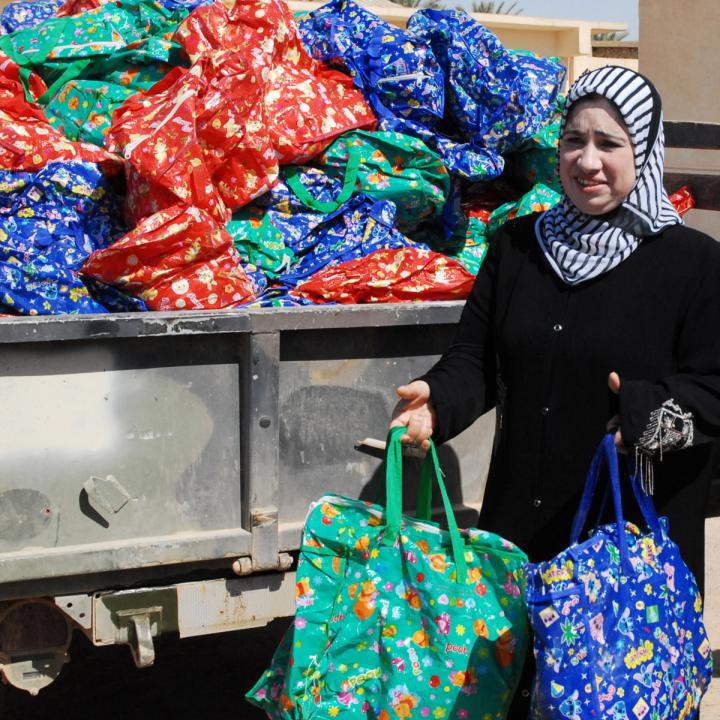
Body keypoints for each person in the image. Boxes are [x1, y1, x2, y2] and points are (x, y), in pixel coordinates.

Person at [390, 65, 720, 715]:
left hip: (626, 559)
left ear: (644, 151)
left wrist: (643, 415)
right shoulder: (518, 247)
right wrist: (436, 399)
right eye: (574, 140)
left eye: (609, 143)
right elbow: (476, 360)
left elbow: (714, 393)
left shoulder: (693, 264)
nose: (587, 161)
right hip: (524, 539)